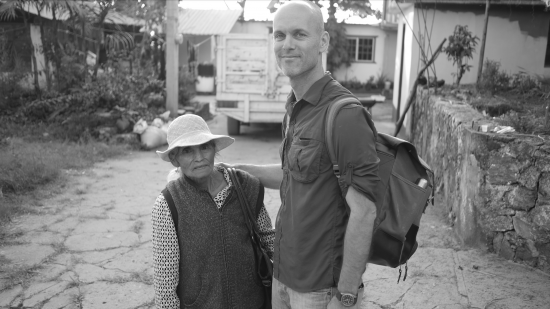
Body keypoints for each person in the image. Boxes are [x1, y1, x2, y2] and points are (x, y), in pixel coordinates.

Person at [221, 1, 381, 308]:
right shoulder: (294, 107)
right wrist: (234, 169)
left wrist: (346, 295)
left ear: (322, 42)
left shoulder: (344, 115)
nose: (287, 45)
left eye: (299, 35)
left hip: (320, 288)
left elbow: (365, 212)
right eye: (279, 35)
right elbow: (293, 174)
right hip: (282, 275)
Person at [151, 114, 275, 309]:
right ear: (175, 159)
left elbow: (271, 243)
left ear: (214, 149)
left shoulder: (245, 186)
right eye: (187, 151)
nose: (199, 158)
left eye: (205, 147)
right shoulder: (168, 204)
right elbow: (165, 283)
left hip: (252, 302)